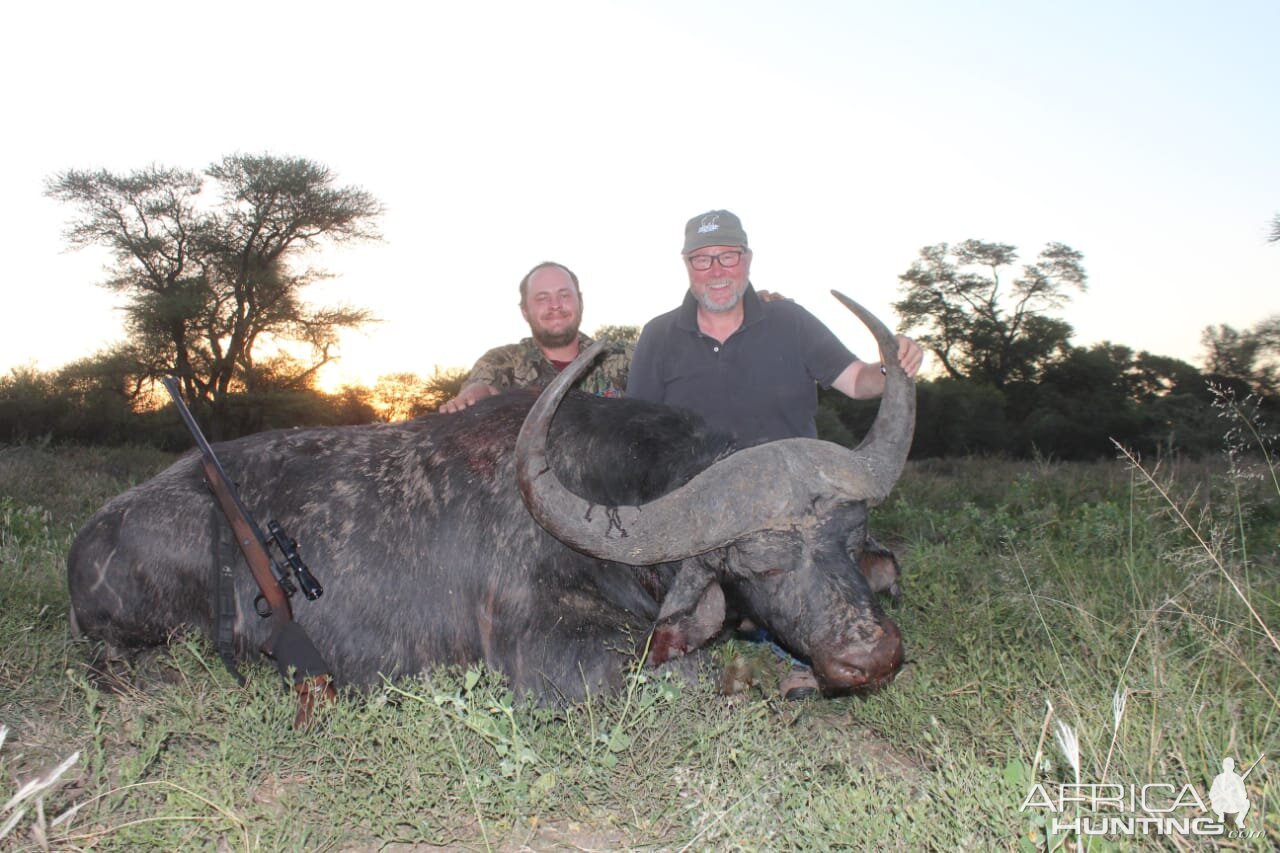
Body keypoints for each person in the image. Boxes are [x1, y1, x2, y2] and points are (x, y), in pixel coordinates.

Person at [627, 209, 923, 697]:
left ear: (747, 260)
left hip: (800, 509)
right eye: (703, 260)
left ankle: (791, 631)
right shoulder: (658, 335)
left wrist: (892, 367)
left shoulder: (789, 319)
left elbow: (856, 381)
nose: (717, 270)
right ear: (686, 265)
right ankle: (755, 628)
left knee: (815, 562)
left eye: (728, 256)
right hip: (712, 514)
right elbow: (641, 433)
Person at [439, 261, 630, 413]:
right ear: (525, 311)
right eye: (542, 298)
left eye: (564, 295)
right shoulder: (501, 361)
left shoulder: (625, 357)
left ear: (580, 302)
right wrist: (473, 395)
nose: (555, 304)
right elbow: (482, 386)